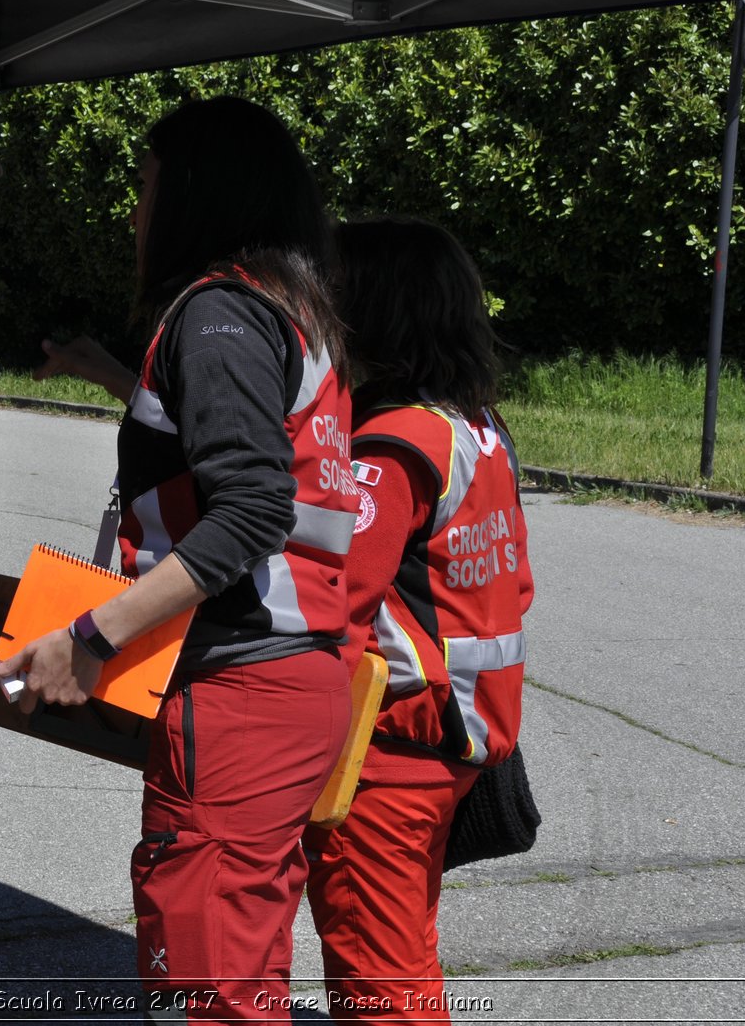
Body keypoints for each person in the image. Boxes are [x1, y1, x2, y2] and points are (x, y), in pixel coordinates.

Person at [0, 96, 356, 1021]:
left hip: (238, 695)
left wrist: (90, 635)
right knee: (241, 976)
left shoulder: (219, 313)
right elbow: (222, 443)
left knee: (206, 993)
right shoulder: (283, 307)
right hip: (287, 684)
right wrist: (115, 378)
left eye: (146, 185)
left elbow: (248, 509)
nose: (134, 212)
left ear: (196, 192)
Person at [301, 217, 533, 1023]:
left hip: (387, 751)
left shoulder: (388, 447)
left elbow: (329, 598)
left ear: (372, 309)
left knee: (377, 982)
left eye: (330, 289)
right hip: (458, 738)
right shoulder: (474, 429)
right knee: (406, 960)